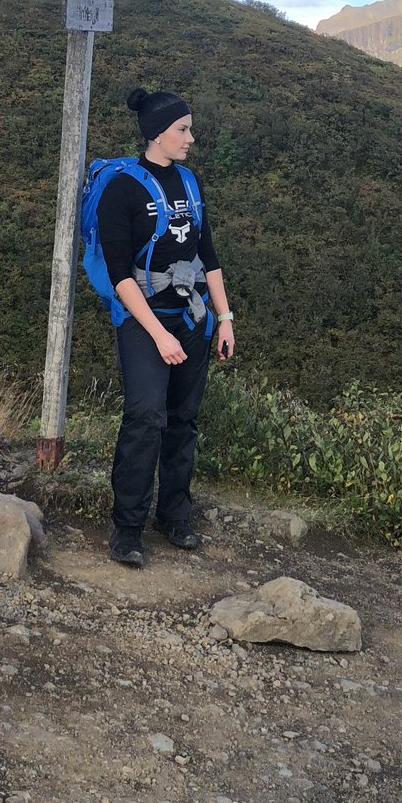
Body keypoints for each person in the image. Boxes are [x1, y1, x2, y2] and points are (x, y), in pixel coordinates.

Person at [99, 89, 235, 566]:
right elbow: (119, 275)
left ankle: (174, 516)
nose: (191, 138)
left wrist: (225, 318)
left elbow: (209, 256)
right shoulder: (122, 190)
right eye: (183, 129)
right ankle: (127, 528)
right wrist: (158, 334)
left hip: (192, 316)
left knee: (183, 419)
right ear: (157, 133)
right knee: (144, 418)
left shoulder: (190, 184)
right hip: (144, 320)